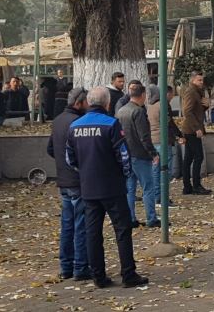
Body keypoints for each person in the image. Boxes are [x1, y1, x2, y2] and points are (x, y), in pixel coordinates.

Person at [65, 87, 148, 289]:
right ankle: (128, 274)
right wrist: (124, 174)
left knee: (93, 232)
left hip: (88, 187)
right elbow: (124, 156)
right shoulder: (111, 124)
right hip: (112, 187)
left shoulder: (75, 126)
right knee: (122, 229)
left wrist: (84, 172)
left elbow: (70, 158)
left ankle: (98, 276)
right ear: (107, 103)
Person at [47, 87, 90, 281]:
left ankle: (66, 266)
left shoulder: (57, 121)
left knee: (67, 225)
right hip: (77, 180)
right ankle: (80, 267)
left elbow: (50, 149)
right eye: (87, 102)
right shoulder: (78, 123)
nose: (89, 106)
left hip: (63, 180)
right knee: (81, 224)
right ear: (79, 103)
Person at [116, 84, 160, 228]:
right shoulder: (138, 112)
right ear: (142, 95)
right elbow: (144, 136)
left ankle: (130, 218)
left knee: (130, 189)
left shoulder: (121, 111)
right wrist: (153, 153)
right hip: (140, 154)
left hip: (126, 154)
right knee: (148, 187)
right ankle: (151, 218)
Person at [148, 85, 183, 207]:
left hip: (153, 140)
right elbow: (170, 123)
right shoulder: (163, 105)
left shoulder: (150, 105)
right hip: (163, 140)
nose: (172, 96)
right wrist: (179, 135)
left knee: (155, 170)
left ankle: (156, 196)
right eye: (171, 94)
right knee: (165, 170)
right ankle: (163, 197)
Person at [180, 71, 211, 195]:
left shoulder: (198, 92)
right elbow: (187, 111)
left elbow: (197, 110)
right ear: (193, 80)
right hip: (191, 130)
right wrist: (196, 128)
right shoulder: (191, 92)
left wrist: (206, 106)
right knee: (198, 157)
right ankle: (196, 186)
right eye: (199, 80)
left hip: (192, 128)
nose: (201, 82)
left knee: (188, 158)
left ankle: (187, 187)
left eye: (202, 80)